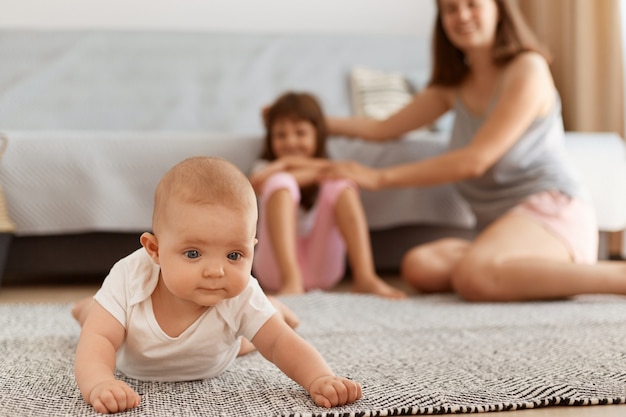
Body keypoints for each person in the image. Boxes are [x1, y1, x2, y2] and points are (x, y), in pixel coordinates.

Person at [323, 0, 626, 302]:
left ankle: (616, 277)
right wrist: (310, 121)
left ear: (499, 11)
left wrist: (378, 177)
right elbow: (381, 128)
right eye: (450, 9)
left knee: (474, 276)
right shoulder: (453, 87)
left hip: (551, 211)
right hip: (501, 226)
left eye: (472, 5)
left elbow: (476, 160)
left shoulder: (527, 68)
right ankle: (504, 268)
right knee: (420, 266)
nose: (462, 15)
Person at [72, 156, 362, 414]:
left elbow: (278, 343)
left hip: (217, 354)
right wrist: (100, 383)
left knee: (258, 336)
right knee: (97, 324)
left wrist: (320, 378)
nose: (215, 271)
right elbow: (100, 341)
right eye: (193, 253)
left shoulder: (240, 292)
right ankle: (90, 306)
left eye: (234, 255)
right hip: (133, 355)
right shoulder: (130, 277)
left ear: (252, 249)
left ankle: (271, 309)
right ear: (155, 250)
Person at [250, 91, 406, 299]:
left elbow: (346, 170)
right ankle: (291, 280)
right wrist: (287, 167)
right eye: (281, 135)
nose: (290, 142)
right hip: (275, 273)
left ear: (318, 135)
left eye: (300, 133)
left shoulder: (325, 173)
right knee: (280, 181)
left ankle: (366, 277)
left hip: (322, 272)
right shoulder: (266, 168)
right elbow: (256, 184)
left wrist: (289, 163)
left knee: (341, 182)